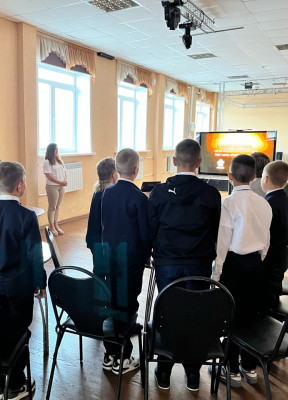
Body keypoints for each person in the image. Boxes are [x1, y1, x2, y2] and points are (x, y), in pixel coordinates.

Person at [148, 138, 221, 392]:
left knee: (168, 312)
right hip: (199, 264)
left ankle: (164, 370)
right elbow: (215, 230)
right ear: (199, 162)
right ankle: (192, 372)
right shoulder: (211, 194)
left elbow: (151, 228)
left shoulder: (158, 193)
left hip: (167, 264)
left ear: (174, 161)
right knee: (196, 314)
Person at [0, 161, 46, 400]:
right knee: (19, 332)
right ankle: (15, 384)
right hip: (19, 286)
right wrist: (40, 282)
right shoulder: (27, 216)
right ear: (19, 186)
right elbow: (34, 254)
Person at [213, 154, 272, 388]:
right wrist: (258, 259)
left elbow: (222, 243)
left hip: (233, 265)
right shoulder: (264, 203)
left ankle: (232, 369)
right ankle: (250, 366)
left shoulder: (228, 203)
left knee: (231, 315)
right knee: (250, 315)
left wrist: (216, 274)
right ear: (255, 176)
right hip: (255, 263)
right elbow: (266, 239)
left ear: (229, 176)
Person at [100, 148, 151, 376]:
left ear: (116, 169)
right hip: (131, 259)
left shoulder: (107, 193)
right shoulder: (139, 198)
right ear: (136, 169)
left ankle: (110, 353)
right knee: (128, 304)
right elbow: (144, 233)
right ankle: (123, 357)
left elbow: (105, 225)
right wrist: (147, 254)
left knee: (113, 302)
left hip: (110, 255)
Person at [260, 160, 288, 311]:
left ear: (265, 179)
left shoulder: (268, 203)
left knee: (266, 292)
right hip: (282, 255)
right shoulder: (284, 199)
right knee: (273, 288)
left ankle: (267, 318)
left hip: (270, 257)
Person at [85, 157, 118, 270]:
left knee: (99, 271)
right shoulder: (109, 195)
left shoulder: (98, 191)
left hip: (94, 239)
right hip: (103, 242)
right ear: (113, 175)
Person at [43, 143, 67, 236]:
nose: (57, 151)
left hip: (61, 186)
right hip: (52, 186)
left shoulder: (59, 160)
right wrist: (60, 182)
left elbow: (65, 171)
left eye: (57, 149)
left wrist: (64, 181)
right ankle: (52, 226)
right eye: (55, 149)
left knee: (58, 207)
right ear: (51, 150)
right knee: (52, 207)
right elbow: (49, 176)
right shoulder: (47, 162)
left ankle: (56, 225)